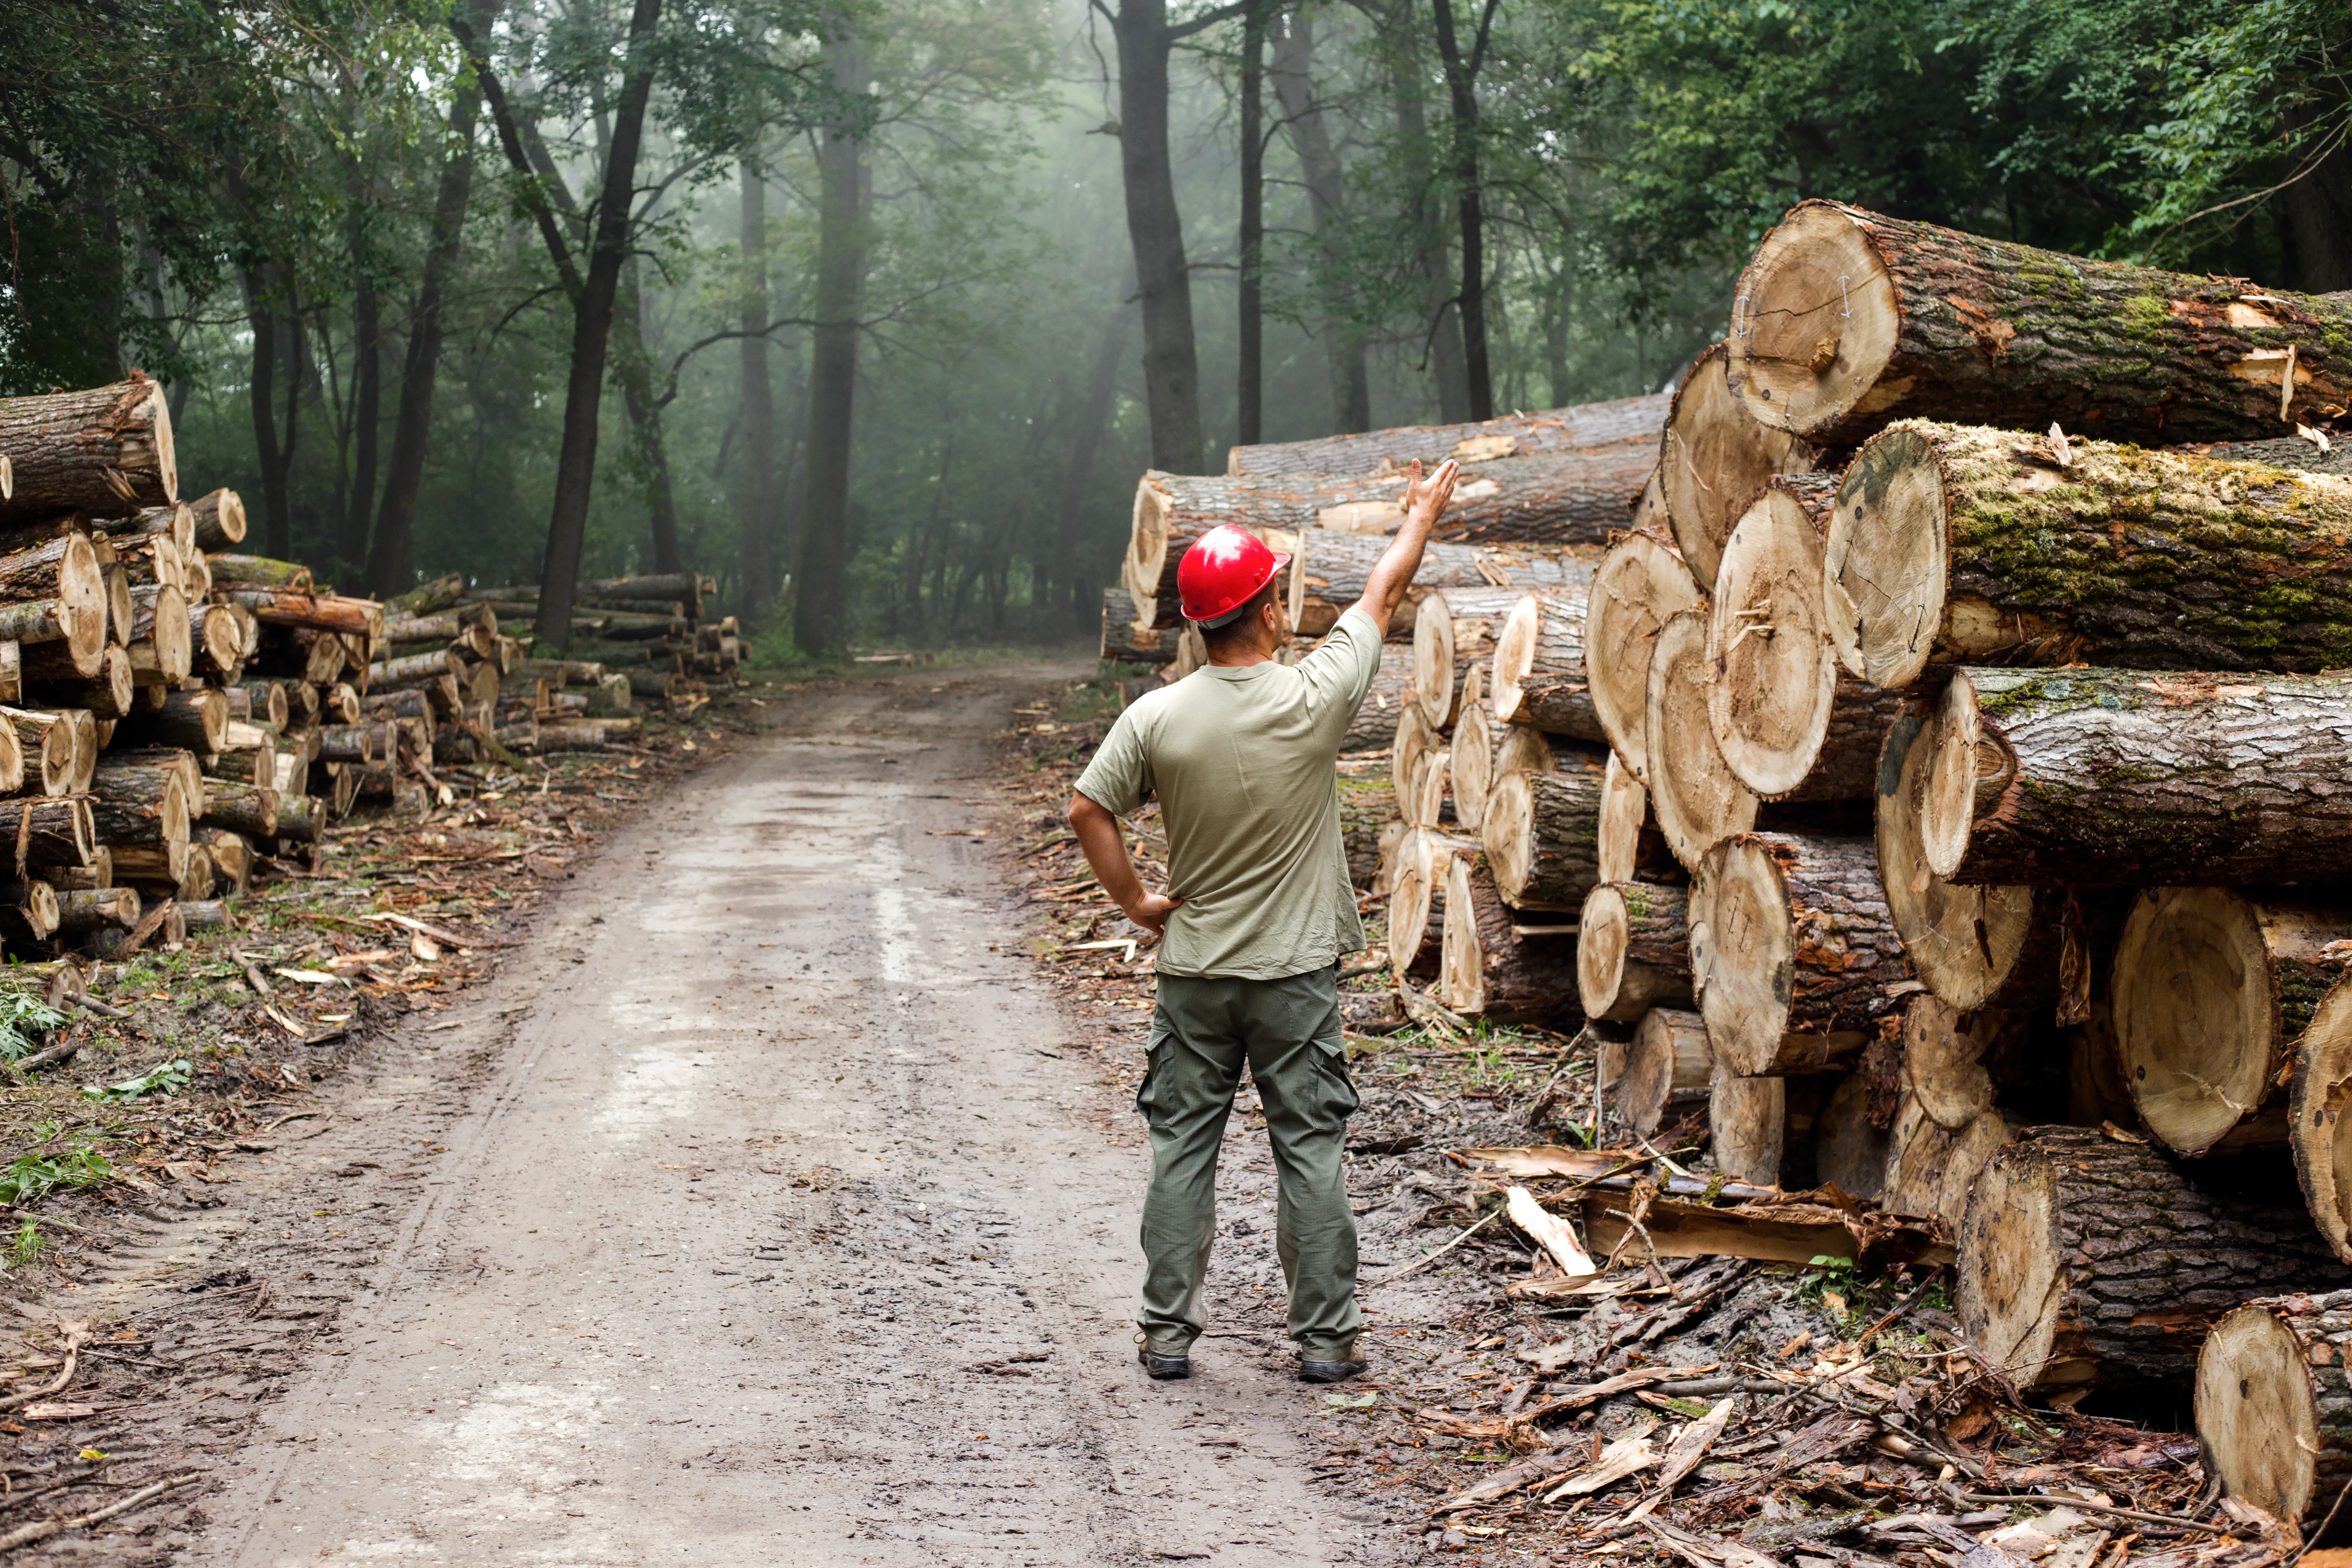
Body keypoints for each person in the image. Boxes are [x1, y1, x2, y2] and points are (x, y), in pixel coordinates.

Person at [1068, 458, 1461, 1384]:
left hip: (1195, 974)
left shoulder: (1157, 717)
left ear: (1197, 623)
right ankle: (1325, 1342)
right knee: (1310, 1153)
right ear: (1270, 611)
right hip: (1294, 976)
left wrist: (1137, 903)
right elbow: (1382, 590)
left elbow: (1087, 809)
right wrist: (1419, 514)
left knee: (1182, 1151)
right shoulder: (1314, 697)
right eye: (1278, 596)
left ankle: (1167, 1336)